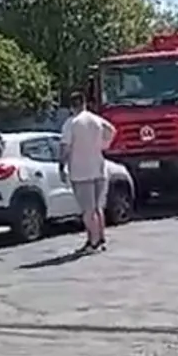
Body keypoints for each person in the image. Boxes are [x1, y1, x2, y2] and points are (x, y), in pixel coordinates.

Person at [59, 91, 117, 254]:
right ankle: (101, 238)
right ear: (84, 104)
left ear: (71, 106)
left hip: (81, 171)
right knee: (98, 208)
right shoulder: (96, 119)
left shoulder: (71, 123)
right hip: (99, 167)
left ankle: (93, 242)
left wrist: (61, 164)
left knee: (88, 210)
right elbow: (111, 130)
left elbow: (65, 147)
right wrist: (104, 145)